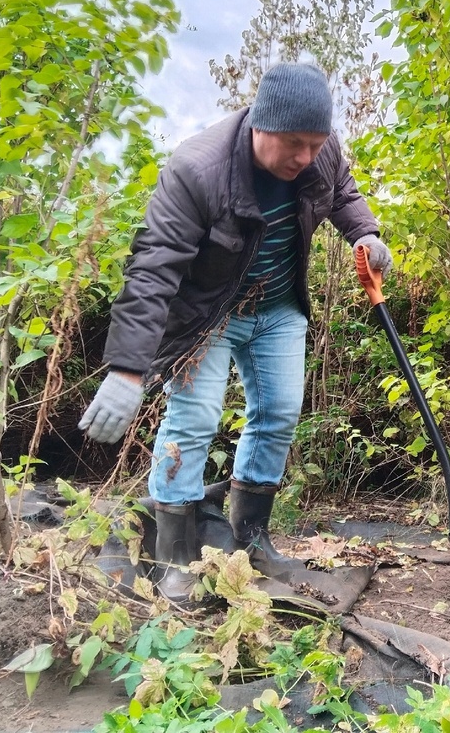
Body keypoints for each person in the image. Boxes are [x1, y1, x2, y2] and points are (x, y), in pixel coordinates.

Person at [79, 62, 391, 604]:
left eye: (316, 144)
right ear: (259, 126)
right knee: (194, 420)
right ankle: (173, 557)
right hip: (208, 317)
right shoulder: (198, 169)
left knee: (279, 415)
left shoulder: (321, 153)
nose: (305, 156)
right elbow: (154, 269)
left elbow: (341, 193)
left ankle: (253, 542)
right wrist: (128, 368)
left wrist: (366, 233)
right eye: (294, 144)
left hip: (279, 309)